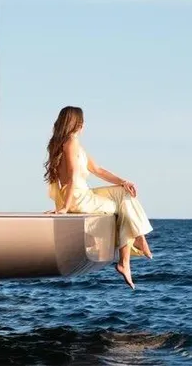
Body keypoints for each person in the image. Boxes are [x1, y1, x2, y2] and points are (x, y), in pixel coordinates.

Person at [44, 106, 153, 289]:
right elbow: (71, 177)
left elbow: (97, 170)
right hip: (78, 198)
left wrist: (123, 181)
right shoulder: (71, 143)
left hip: (82, 193)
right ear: (78, 123)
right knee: (123, 205)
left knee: (123, 192)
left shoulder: (70, 143)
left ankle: (138, 239)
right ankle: (126, 258)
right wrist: (65, 207)